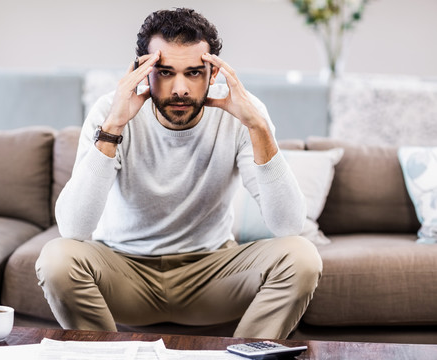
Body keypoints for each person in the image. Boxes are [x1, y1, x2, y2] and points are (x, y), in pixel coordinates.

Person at [36, 8, 322, 339]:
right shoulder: (109, 112)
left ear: (212, 73)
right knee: (57, 258)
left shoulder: (244, 114)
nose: (181, 89)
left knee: (302, 257)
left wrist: (257, 126)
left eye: (194, 73)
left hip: (211, 275)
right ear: (143, 71)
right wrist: (113, 126)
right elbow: (73, 228)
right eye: (166, 72)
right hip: (124, 273)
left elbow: (288, 225)